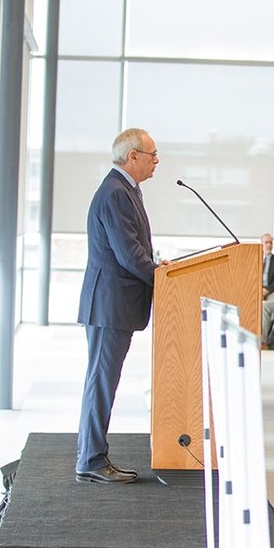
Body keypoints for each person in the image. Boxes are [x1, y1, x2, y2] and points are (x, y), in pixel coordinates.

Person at [76, 128, 168, 484]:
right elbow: (129, 254)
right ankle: (92, 460)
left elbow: (134, 249)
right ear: (133, 156)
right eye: (152, 154)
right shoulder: (116, 193)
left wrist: (159, 267)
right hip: (109, 305)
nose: (156, 161)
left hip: (113, 305)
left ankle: (90, 453)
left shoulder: (126, 190)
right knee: (101, 381)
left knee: (101, 380)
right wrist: (162, 277)